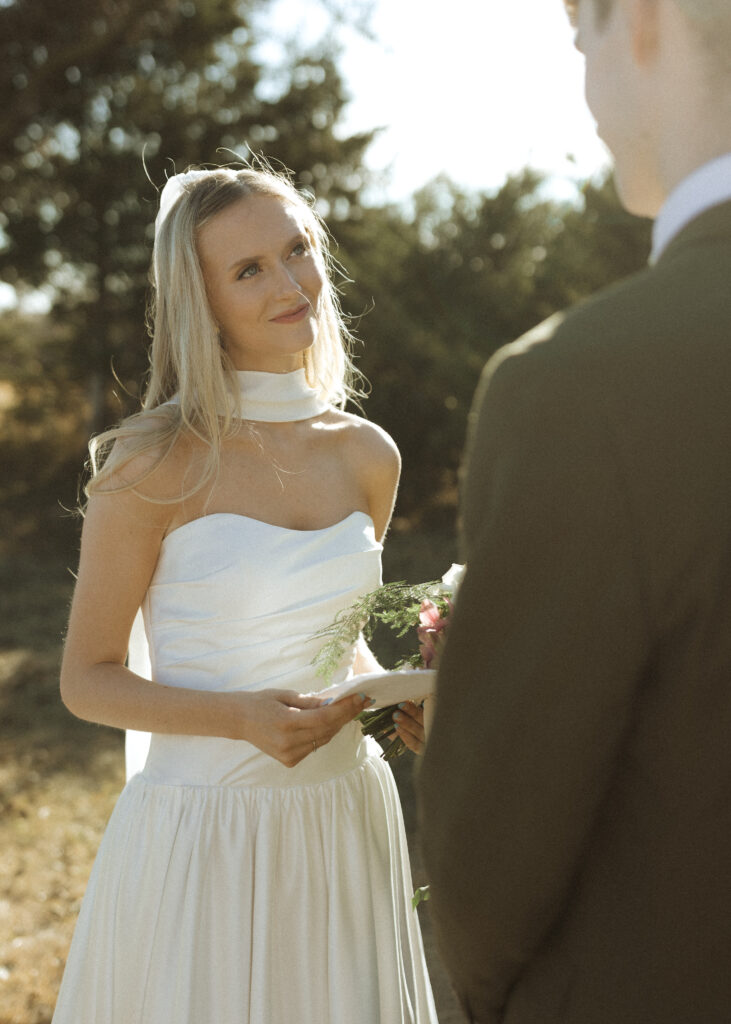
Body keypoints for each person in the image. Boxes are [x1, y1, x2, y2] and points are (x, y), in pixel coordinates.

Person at [53, 164, 437, 1024]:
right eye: (249, 269)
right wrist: (241, 719)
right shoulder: (151, 462)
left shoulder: (367, 454)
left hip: (344, 819)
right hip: (208, 835)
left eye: (297, 250)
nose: (291, 282)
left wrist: (393, 704)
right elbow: (87, 679)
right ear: (202, 301)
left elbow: (336, 643)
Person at [417, 1, 731, 1021]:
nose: (583, 82)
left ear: (635, 21)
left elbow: (485, 877)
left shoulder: (578, 386)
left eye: (576, 38)